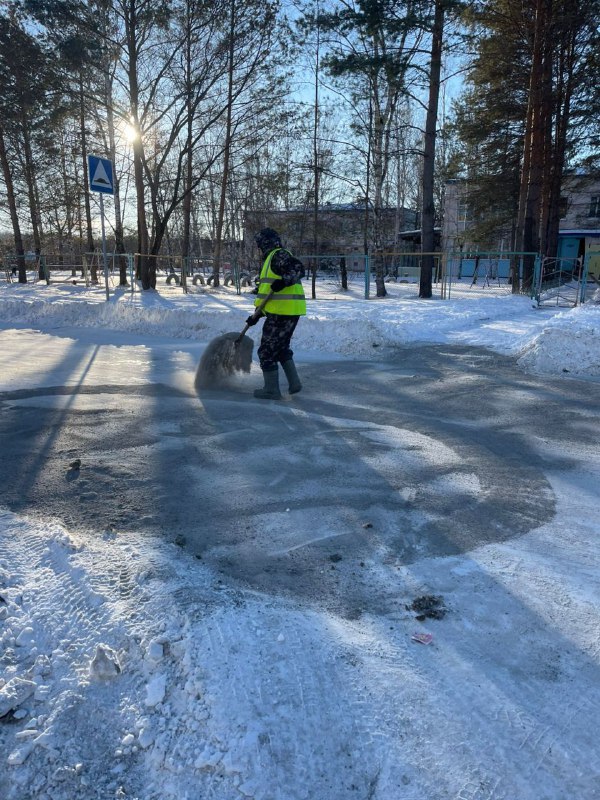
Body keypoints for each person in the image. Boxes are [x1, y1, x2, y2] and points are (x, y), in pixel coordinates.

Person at [246, 228, 306, 399]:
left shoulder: (278, 255)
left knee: (266, 351)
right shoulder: (271, 259)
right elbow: (267, 293)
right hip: (285, 312)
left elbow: (298, 268)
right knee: (280, 348)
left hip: (282, 313)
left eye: (260, 245)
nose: (259, 249)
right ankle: (294, 384)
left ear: (266, 243)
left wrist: (283, 281)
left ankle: (271, 390)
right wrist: (255, 316)